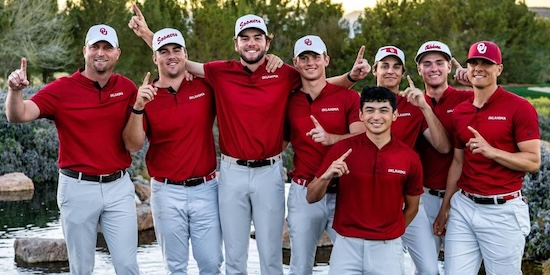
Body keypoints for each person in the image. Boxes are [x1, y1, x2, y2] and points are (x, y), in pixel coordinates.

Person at [128, 5, 371, 274]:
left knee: (270, 257)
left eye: (257, 37)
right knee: (234, 258)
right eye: (245, 37)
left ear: (267, 42)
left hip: (269, 173)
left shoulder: (283, 73)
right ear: (236, 43)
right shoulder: (219, 72)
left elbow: (319, 83)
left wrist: (350, 78)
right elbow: (175, 60)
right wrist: (149, 35)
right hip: (231, 174)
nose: (251, 43)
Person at [5, 24, 140, 275]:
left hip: (118, 187)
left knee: (127, 265)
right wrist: (14, 91)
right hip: (77, 188)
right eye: (95, 47)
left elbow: (135, 139)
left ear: (117, 53)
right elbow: (18, 115)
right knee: (81, 269)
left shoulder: (127, 88)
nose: (101, 53)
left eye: (107, 48)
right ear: (84, 51)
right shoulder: (63, 89)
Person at [433, 41, 541, 275]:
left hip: (502, 210)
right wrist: (445, 208)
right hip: (464, 206)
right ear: (467, 68)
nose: (479, 68)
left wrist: (492, 152)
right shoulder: (461, 111)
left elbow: (533, 161)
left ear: (499, 69)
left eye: (486, 63)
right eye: (474, 63)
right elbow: (458, 162)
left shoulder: (519, 107)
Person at [122, 28, 222, 274]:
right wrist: (138, 107)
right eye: (164, 52)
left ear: (186, 54)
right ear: (155, 58)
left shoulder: (205, 87)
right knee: (175, 267)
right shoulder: (146, 96)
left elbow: (238, 75)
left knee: (211, 263)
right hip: (166, 192)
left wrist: (147, 34)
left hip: (207, 190)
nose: (171, 56)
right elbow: (132, 145)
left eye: (177, 50)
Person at [306, 85, 424, 275]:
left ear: (395, 115)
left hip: (387, 249)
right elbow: (311, 196)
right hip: (346, 246)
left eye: (384, 110)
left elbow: (413, 206)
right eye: (369, 110)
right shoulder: (341, 150)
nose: (376, 117)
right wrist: (326, 176)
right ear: (361, 115)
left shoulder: (409, 158)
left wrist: (390, 232)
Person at [284, 35, 367, 275]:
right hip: (303, 191)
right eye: (304, 58)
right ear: (296, 62)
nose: (310, 62)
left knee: (350, 264)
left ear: (326, 60)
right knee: (300, 267)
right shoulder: (289, 101)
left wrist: (332, 139)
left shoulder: (349, 97)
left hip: (344, 193)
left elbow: (362, 140)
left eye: (316, 57)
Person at [372, 45, 448, 274]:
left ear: (404, 72)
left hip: (411, 203)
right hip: (373, 201)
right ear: (374, 69)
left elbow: (443, 147)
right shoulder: (363, 103)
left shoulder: (413, 105)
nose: (390, 71)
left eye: (396, 67)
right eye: (384, 66)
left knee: (429, 269)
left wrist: (424, 107)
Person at [413, 41, 472, 258]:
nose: (433, 68)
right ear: (419, 70)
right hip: (425, 197)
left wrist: (475, 82)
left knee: (458, 267)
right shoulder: (413, 104)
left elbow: (505, 104)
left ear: (449, 67)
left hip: (461, 198)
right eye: (427, 64)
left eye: (440, 62)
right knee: (424, 267)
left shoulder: (467, 98)